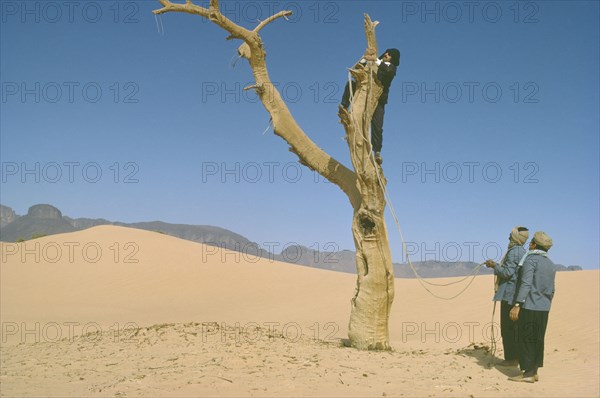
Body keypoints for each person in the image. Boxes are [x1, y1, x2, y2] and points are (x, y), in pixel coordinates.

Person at [508, 231, 556, 383]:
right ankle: (533, 371)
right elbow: (552, 288)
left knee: (527, 338)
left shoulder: (531, 260)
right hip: (544, 307)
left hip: (530, 306)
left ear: (535, 244)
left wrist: (517, 304)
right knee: (538, 338)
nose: (529, 244)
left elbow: (526, 283)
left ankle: (528, 373)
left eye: (531, 242)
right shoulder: (550, 263)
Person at [341, 48, 400, 165]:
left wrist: (375, 60)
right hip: (364, 91)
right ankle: (344, 106)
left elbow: (388, 72)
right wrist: (365, 57)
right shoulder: (373, 62)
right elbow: (357, 69)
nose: (387, 54)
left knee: (377, 125)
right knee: (350, 84)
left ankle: (377, 151)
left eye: (390, 54)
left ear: (393, 58)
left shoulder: (391, 68)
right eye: (387, 52)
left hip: (378, 99)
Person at [485, 226, 529, 367]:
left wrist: (494, 266)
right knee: (515, 328)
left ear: (516, 238)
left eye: (511, 235)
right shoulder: (522, 251)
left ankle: (511, 358)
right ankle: (515, 357)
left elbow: (507, 273)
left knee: (508, 328)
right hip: (516, 296)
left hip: (509, 296)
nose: (508, 237)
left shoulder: (514, 252)